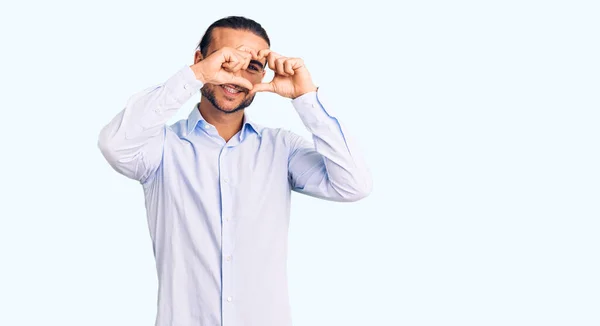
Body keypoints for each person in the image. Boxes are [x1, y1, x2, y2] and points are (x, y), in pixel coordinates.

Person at [98, 15, 372, 326]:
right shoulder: (160, 148)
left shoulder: (281, 148)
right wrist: (195, 76)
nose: (236, 76)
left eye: (252, 66)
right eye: (225, 60)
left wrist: (305, 98)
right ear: (200, 59)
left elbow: (354, 185)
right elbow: (114, 144)